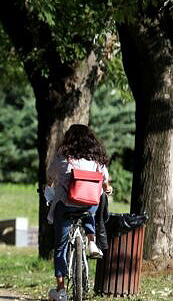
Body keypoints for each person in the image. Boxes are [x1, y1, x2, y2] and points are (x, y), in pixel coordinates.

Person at [46, 124, 113, 301]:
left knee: (60, 247)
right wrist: (107, 187)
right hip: (89, 205)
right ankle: (92, 241)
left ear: (68, 139)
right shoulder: (96, 159)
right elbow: (105, 179)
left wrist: (49, 186)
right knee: (91, 208)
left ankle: (61, 291)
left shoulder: (63, 157)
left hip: (66, 205)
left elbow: (50, 175)